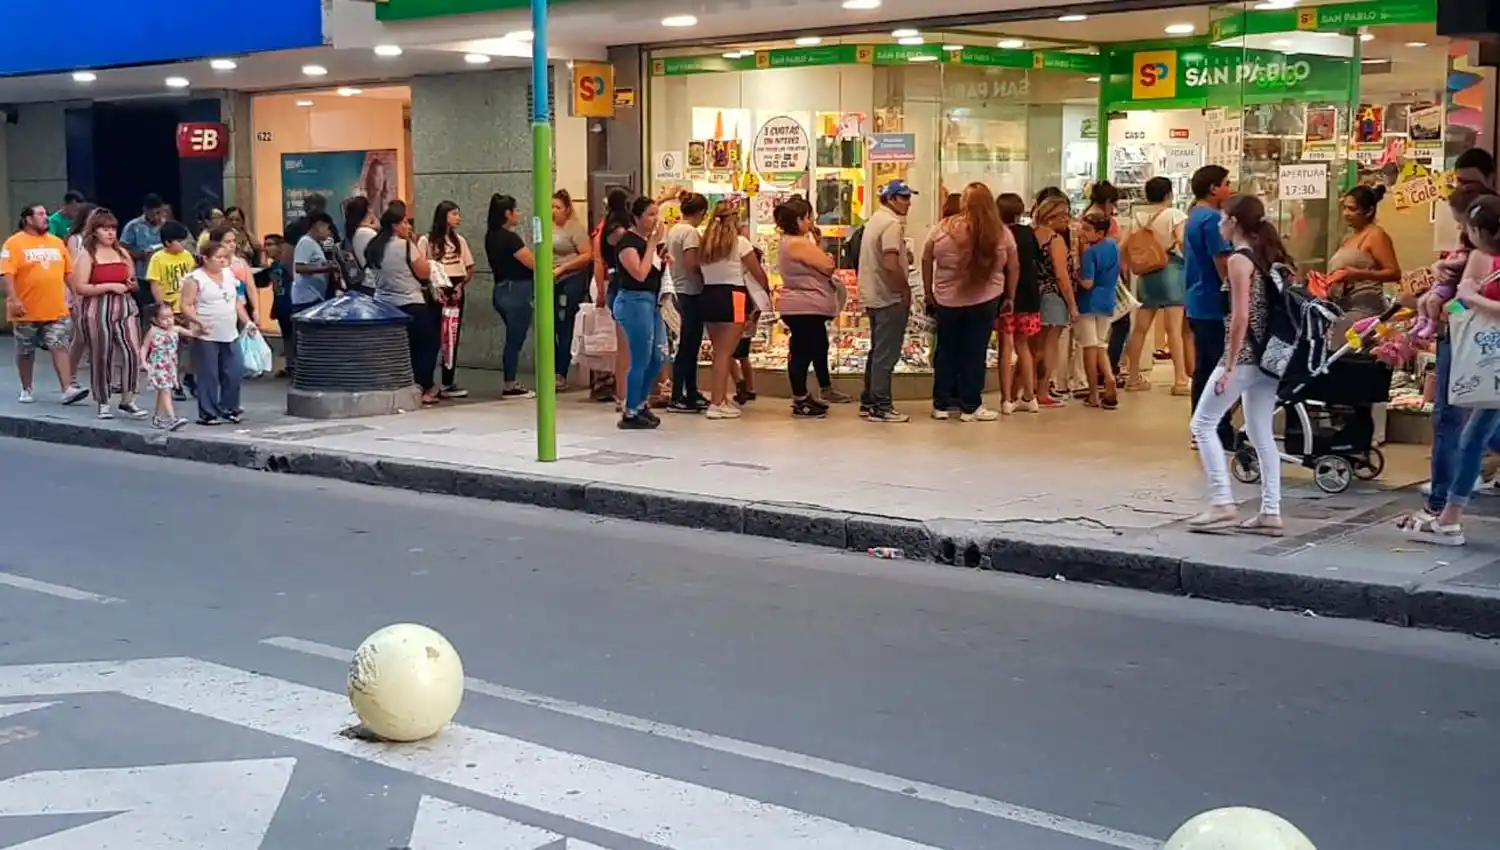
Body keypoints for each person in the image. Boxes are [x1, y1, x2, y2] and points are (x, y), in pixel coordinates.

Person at [1402, 193, 1500, 545]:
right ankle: (1449, 517)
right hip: (1491, 363)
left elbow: (1461, 309)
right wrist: (1449, 310)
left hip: (1491, 361)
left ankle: (1449, 518)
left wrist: (1466, 303)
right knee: (1476, 434)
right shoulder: (1479, 259)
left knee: (1475, 435)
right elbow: (1456, 311)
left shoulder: (1482, 259)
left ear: (1476, 230)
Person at [1187, 195, 1285, 535]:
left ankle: (1221, 502)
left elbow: (1240, 314)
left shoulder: (1238, 260)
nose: (1218, 224)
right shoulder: (1265, 256)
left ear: (1234, 222)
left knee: (1202, 424)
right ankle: (1270, 510)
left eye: (1223, 219)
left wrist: (1228, 366)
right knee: (1261, 432)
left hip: (1243, 357)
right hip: (1268, 360)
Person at [921, 182, 1014, 422]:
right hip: (985, 300)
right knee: (975, 353)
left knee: (946, 352)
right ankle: (970, 406)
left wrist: (928, 290)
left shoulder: (942, 228)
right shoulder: (1000, 232)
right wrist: (1009, 297)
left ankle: (941, 404)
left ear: (964, 202)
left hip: (947, 300)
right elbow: (1013, 265)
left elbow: (926, 257)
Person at [2, 205, 89, 405]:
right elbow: (7, 274)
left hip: (55, 307)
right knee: (25, 351)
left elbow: (68, 272)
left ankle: (67, 388)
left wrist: (75, 294)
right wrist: (13, 299)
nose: (46, 218)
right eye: (40, 214)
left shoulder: (57, 243)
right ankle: (26, 388)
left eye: (46, 214)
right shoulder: (13, 244)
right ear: (28, 219)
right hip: (26, 309)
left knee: (59, 344)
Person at [67, 210, 146, 419]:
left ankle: (128, 398)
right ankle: (103, 401)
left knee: (132, 351)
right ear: (95, 231)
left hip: (124, 306)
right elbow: (80, 287)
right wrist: (109, 286)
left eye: (113, 229)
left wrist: (131, 284)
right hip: (97, 308)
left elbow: (133, 281)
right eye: (105, 229)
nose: (110, 233)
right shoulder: (87, 255)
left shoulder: (121, 253)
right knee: (102, 355)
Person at [776, 197, 849, 418]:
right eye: (808, 217)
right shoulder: (797, 243)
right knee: (802, 352)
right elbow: (827, 266)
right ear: (799, 219)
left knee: (815, 346)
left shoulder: (792, 242)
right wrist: (824, 253)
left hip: (806, 306)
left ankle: (811, 394)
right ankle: (801, 399)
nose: (811, 221)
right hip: (804, 307)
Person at [698, 200, 768, 420]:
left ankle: (721, 398)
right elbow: (757, 273)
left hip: (708, 296)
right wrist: (766, 290)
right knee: (726, 353)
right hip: (734, 296)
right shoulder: (741, 244)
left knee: (720, 353)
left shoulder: (706, 244)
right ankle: (717, 403)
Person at [1184, 164, 1237, 450]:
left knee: (1205, 367)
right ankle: (1217, 427)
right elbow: (1222, 260)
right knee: (1219, 366)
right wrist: (1233, 291)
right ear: (1214, 188)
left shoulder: (1194, 217)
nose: (1230, 188)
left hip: (1197, 301)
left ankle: (1201, 425)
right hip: (1213, 302)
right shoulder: (1212, 220)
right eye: (1227, 183)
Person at [1122, 176, 1189, 394]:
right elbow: (1180, 241)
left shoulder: (1139, 218)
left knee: (1140, 328)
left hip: (1146, 274)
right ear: (1169, 194)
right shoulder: (1175, 215)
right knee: (1174, 330)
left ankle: (1133, 377)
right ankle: (1179, 379)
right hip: (1171, 271)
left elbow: (1123, 246)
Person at [366, 208, 440, 405]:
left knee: (397, 349)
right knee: (426, 345)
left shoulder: (373, 246)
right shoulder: (405, 246)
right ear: (395, 225)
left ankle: (399, 384)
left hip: (384, 304)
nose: (408, 227)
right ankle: (423, 386)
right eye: (405, 223)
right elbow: (424, 273)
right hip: (411, 302)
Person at [858, 180, 918, 423]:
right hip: (888, 297)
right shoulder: (892, 224)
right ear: (891, 199)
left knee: (877, 351)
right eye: (903, 198)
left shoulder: (875, 220)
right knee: (886, 355)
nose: (908, 203)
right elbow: (890, 263)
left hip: (874, 295)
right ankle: (881, 406)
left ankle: (869, 400)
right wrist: (903, 290)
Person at [179, 241, 255, 425]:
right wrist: (198, 322)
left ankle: (230, 407)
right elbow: (186, 305)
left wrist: (247, 322)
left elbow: (235, 301)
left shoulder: (229, 274)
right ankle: (208, 412)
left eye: (225, 257)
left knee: (234, 371)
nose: (222, 261)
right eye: (218, 257)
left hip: (229, 331)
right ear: (205, 258)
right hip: (207, 333)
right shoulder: (195, 278)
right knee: (209, 374)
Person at [612, 196, 668, 430]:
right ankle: (631, 409)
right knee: (641, 358)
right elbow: (639, 273)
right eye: (650, 215)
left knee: (660, 356)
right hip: (634, 302)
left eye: (657, 214)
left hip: (652, 302)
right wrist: (653, 245)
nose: (655, 219)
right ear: (637, 217)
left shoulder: (646, 242)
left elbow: (653, 271)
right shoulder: (627, 243)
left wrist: (664, 261)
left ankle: (642, 401)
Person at [418, 201, 476, 398]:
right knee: (434, 336)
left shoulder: (460, 240)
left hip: (456, 290)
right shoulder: (427, 241)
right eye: (454, 214)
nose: (458, 218)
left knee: (451, 336)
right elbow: (422, 268)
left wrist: (460, 286)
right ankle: (426, 381)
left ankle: (448, 381)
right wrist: (434, 288)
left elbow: (468, 267)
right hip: (437, 291)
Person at [484, 194, 537, 399]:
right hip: (516, 291)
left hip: (501, 290)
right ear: (507, 214)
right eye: (516, 210)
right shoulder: (510, 238)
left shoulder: (491, 236)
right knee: (515, 339)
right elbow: (532, 263)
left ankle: (510, 381)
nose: (519, 214)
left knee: (513, 338)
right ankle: (510, 383)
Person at [1030, 194, 1079, 409]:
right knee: (1050, 346)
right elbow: (1061, 275)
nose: (1067, 222)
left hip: (1034, 294)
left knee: (1034, 346)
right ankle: (1043, 390)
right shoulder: (1054, 240)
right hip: (1054, 296)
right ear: (1051, 218)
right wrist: (1072, 304)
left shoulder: (1031, 236)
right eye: (1064, 217)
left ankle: (1029, 388)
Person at [665, 192, 710, 413]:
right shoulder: (691, 233)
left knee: (687, 345)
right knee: (689, 346)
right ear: (701, 212)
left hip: (677, 289)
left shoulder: (674, 229)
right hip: (690, 291)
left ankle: (690, 391)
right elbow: (692, 263)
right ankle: (680, 394)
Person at [996, 192, 1041, 414]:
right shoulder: (1028, 233)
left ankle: (1006, 399)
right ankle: (1030, 396)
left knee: (1005, 347)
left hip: (1005, 297)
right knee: (1024, 347)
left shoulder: (999, 235)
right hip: (1029, 296)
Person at [147, 222, 199, 399]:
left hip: (187, 306)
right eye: (179, 241)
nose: (183, 245)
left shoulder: (187, 257)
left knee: (194, 342)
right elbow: (154, 283)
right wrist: (161, 305)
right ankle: (174, 380)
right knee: (172, 347)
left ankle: (190, 376)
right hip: (171, 307)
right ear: (168, 242)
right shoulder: (158, 258)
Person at [1075, 212, 1121, 410]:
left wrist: (1074, 275)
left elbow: (1087, 283)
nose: (1082, 232)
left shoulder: (1090, 253)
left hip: (1089, 303)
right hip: (1107, 300)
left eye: (1087, 229)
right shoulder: (1113, 247)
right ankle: (1109, 377)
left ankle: (1093, 393)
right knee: (1101, 345)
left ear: (1100, 232)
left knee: (1089, 347)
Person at [551, 189, 595, 391]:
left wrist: (564, 268)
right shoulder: (547, 225)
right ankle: (550, 369)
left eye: (558, 207)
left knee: (564, 324)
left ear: (567, 209)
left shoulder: (574, 228)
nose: (553, 211)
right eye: (551, 207)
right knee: (550, 326)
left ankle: (561, 372)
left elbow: (587, 255)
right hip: (552, 280)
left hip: (570, 279)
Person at [139, 305, 189, 431]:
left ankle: (157, 418)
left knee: (163, 392)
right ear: (155, 320)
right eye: (164, 318)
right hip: (158, 366)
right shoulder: (153, 331)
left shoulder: (175, 329)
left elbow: (191, 333)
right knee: (165, 390)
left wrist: (202, 328)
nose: (169, 321)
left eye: (171, 317)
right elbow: (145, 347)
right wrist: (144, 361)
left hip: (170, 366)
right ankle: (173, 419)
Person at [121, 194, 168, 316]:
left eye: (159, 213)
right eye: (153, 214)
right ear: (145, 210)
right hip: (142, 274)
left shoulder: (166, 225)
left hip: (163, 275)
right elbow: (122, 247)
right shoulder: (133, 226)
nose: (156, 217)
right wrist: (138, 254)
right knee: (146, 309)